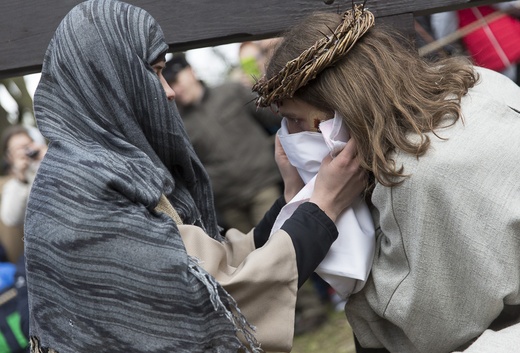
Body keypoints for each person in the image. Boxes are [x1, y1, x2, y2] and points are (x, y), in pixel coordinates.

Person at [24, 1, 366, 352]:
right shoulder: (83, 193)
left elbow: (207, 263)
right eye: (155, 71)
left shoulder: (104, 168)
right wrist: (322, 205)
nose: (168, 90)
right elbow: (213, 300)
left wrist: (293, 197)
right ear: (112, 80)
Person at [253, 4, 520, 353]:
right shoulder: (479, 84)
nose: (289, 138)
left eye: (297, 122)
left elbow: (425, 325)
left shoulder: (414, 175)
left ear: (340, 109)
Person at [162, 53, 282, 232]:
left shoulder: (231, 91)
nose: (177, 89)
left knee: (273, 241)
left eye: (178, 80)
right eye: (171, 84)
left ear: (191, 72)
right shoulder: (178, 123)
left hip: (262, 186)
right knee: (248, 254)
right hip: (228, 203)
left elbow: (274, 117)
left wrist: (268, 88)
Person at [0, 125, 46, 263]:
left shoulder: (46, 165)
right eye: (17, 149)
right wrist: (21, 177)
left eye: (27, 146)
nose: (24, 152)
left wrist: (47, 157)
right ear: (9, 157)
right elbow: (11, 218)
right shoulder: (12, 185)